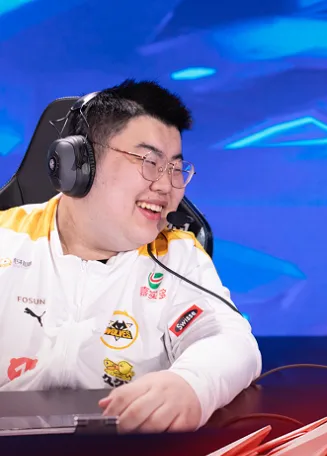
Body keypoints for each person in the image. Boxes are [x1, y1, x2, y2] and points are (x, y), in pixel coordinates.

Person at [0, 80, 261, 433]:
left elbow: (232, 342)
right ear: (79, 164)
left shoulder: (176, 256)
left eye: (176, 169)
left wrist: (191, 384)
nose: (167, 186)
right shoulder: (7, 238)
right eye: (149, 162)